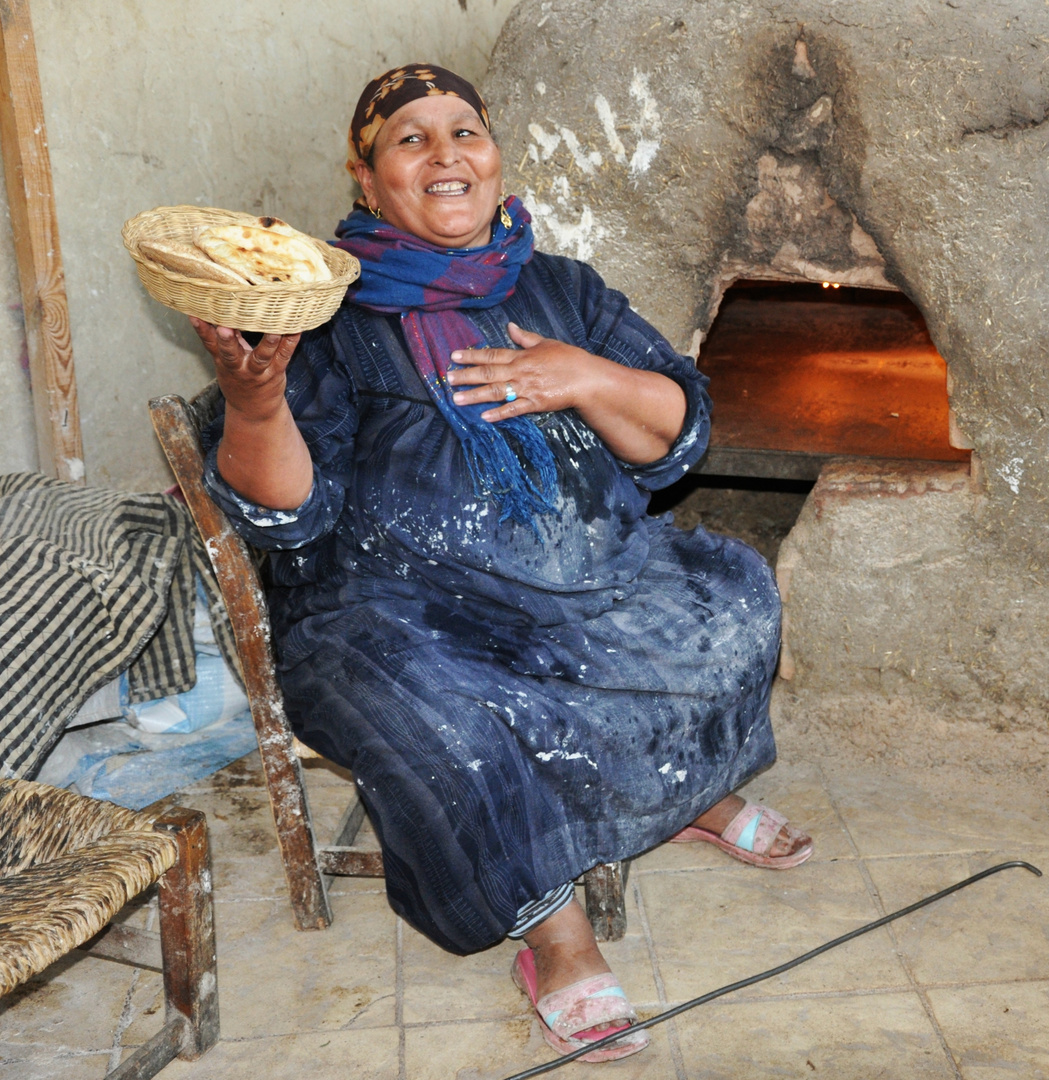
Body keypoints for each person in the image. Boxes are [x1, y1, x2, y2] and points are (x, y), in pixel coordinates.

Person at [196, 64, 811, 1064]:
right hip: (396, 613)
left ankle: (686, 793)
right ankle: (553, 932)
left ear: (494, 156)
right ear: (365, 179)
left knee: (732, 596)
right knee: (447, 717)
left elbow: (677, 434)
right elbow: (291, 520)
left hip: (588, 583)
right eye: (410, 138)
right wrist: (257, 406)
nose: (446, 154)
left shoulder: (559, 286)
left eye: (464, 131)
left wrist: (584, 375)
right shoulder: (325, 318)